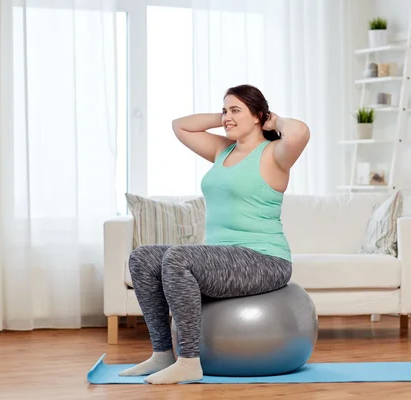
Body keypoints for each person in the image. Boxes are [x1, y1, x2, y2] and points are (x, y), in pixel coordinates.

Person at [119, 84, 310, 384]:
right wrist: (226, 118)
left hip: (265, 258)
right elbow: (180, 126)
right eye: (225, 110)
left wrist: (274, 121)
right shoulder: (223, 150)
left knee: (177, 258)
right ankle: (162, 353)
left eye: (236, 111)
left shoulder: (274, 154)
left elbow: (300, 132)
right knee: (142, 258)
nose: (227, 117)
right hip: (222, 256)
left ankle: (189, 361)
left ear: (259, 116)